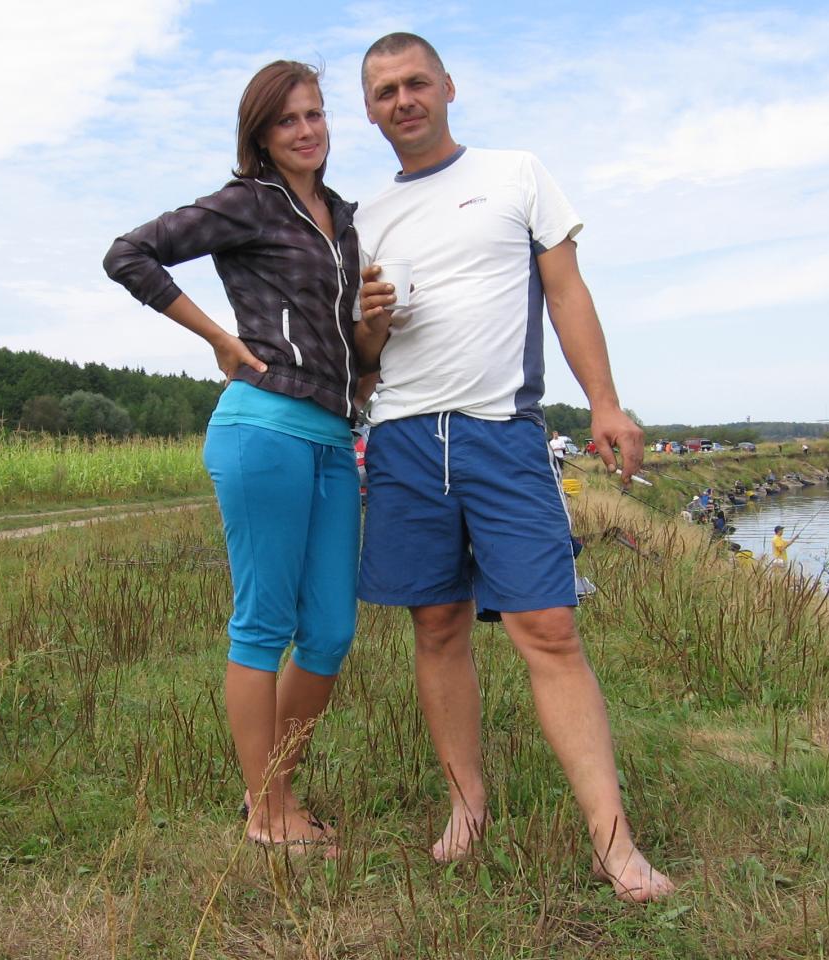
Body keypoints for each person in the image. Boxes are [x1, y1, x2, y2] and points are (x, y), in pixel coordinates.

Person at [353, 32, 673, 902]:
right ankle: (467, 806)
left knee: (549, 630)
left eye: (416, 82)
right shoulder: (362, 217)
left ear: (448, 86)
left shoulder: (517, 175)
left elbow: (565, 291)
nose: (403, 100)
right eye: (384, 91)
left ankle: (613, 843)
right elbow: (365, 359)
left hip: (504, 433)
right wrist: (369, 324)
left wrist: (605, 403)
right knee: (436, 627)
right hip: (405, 439)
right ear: (369, 111)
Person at [103, 61, 362, 851]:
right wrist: (218, 337)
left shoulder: (345, 219)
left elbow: (350, 341)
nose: (306, 130)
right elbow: (129, 254)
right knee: (264, 623)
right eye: (287, 120)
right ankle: (268, 811)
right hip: (264, 428)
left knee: (329, 632)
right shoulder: (249, 203)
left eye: (315, 114)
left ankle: (275, 791)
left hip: (335, 438)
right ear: (260, 134)